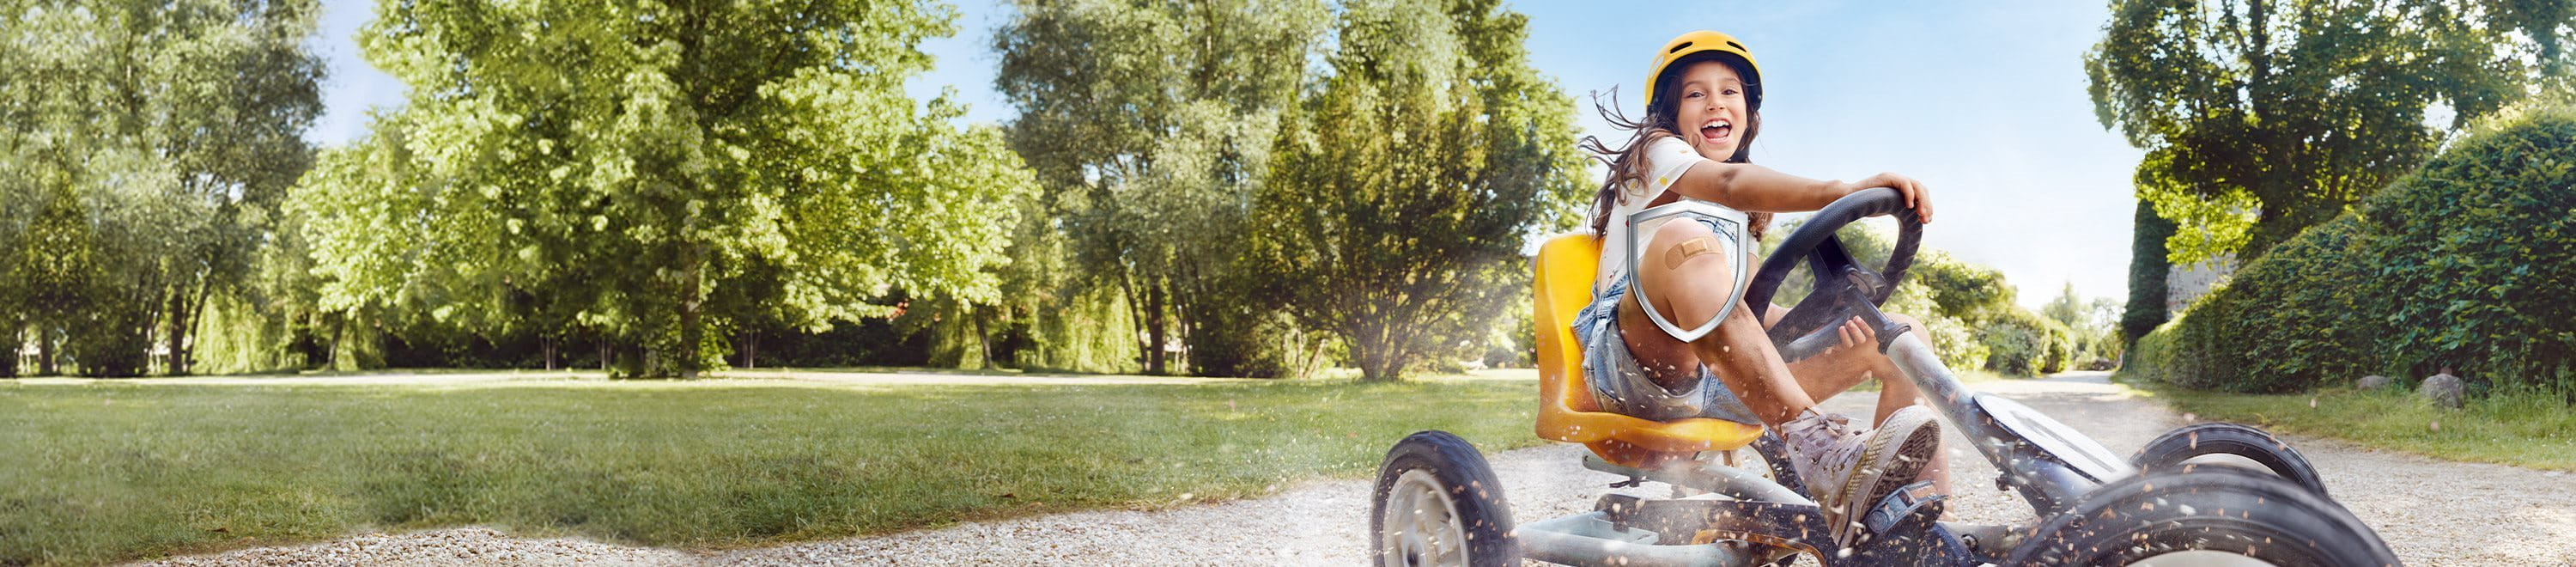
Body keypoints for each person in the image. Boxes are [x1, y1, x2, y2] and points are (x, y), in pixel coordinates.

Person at [1572, 30, 1948, 546]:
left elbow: (1752, 310)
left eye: (1730, 91)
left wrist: (1833, 321)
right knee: (1685, 238)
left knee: (1902, 336)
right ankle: (1820, 447)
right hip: (1633, 367)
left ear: (1749, 112)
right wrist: (1842, 190)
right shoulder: (1656, 155)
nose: (1715, 103)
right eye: (1695, 93)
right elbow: (1726, 183)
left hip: (1722, 376)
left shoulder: (1744, 215)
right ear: (1670, 113)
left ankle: (1909, 524)